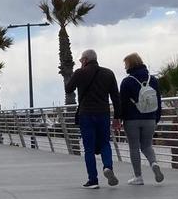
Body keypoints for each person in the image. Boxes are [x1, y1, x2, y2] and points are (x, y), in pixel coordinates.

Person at [65, 49, 121, 189]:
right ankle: (108, 167)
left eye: (81, 60)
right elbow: (115, 96)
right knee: (104, 143)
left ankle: (93, 180)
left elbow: (68, 89)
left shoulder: (80, 73)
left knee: (89, 148)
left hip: (86, 114)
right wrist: (117, 117)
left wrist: (78, 73)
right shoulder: (108, 73)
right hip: (103, 113)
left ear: (85, 60)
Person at [119, 53, 164, 185]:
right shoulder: (153, 80)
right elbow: (159, 101)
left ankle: (138, 177)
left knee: (134, 147)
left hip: (132, 119)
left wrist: (121, 119)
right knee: (147, 145)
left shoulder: (127, 81)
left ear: (129, 64)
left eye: (125, 64)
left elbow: (123, 103)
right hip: (150, 117)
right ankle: (154, 163)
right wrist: (156, 117)